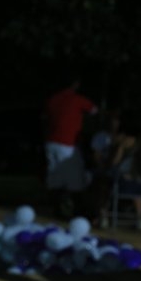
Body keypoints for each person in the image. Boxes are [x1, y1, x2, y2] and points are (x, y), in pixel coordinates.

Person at [43, 77, 98, 217]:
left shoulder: (53, 99)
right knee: (74, 178)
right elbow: (94, 110)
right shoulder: (77, 99)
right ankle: (76, 210)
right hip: (67, 143)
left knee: (55, 177)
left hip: (51, 142)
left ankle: (56, 209)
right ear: (75, 85)